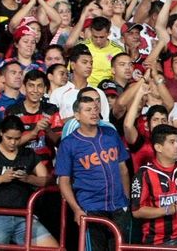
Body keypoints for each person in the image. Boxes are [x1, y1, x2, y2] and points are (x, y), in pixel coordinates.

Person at [56, 96, 131, 251]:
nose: (94, 113)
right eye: (88, 110)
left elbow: (123, 168)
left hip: (118, 207)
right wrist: (76, 209)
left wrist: (126, 200)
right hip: (91, 208)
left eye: (96, 109)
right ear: (77, 115)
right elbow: (64, 181)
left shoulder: (111, 134)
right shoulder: (69, 143)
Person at [0, 116, 57, 247]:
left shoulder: (28, 154)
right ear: (1, 133)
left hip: (24, 216)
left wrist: (28, 178)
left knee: (54, 248)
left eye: (17, 139)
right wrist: (0, 179)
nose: (13, 143)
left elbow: (48, 180)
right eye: (9, 138)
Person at [130, 124, 177, 246]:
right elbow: (137, 211)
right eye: (172, 142)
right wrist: (167, 210)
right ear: (158, 147)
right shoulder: (144, 174)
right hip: (157, 242)